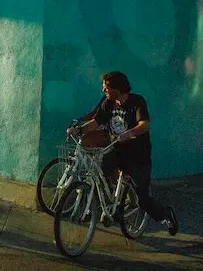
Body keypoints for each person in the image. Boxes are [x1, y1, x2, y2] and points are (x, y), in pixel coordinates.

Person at [68, 71, 179, 236]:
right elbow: (96, 122)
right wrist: (78, 130)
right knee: (99, 172)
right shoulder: (109, 103)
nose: (104, 91)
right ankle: (106, 206)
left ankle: (166, 216)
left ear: (117, 88)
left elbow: (145, 125)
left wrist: (129, 133)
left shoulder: (137, 102)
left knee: (143, 200)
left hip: (137, 156)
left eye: (106, 88)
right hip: (116, 150)